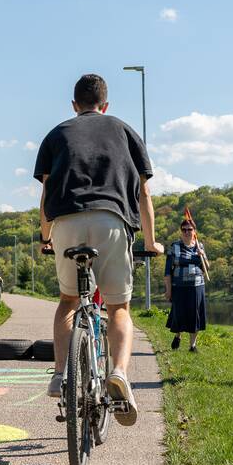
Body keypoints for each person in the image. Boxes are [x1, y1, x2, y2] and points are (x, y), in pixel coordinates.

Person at [34, 73, 163, 425]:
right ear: (105, 105)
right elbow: (144, 194)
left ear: (74, 106)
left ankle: (61, 374)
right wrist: (151, 242)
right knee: (119, 306)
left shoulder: (57, 134)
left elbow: (46, 196)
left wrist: (46, 236)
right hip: (112, 220)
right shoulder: (123, 130)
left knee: (68, 301)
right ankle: (119, 372)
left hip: (66, 222)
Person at [164, 219, 209, 352]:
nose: (187, 232)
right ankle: (178, 336)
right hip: (179, 286)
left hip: (197, 286)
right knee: (179, 314)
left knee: (195, 314)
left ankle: (192, 345)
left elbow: (206, 267)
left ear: (194, 231)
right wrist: (168, 290)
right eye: (184, 229)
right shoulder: (175, 246)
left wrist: (203, 257)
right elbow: (167, 271)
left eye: (189, 229)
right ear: (181, 231)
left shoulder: (199, 246)